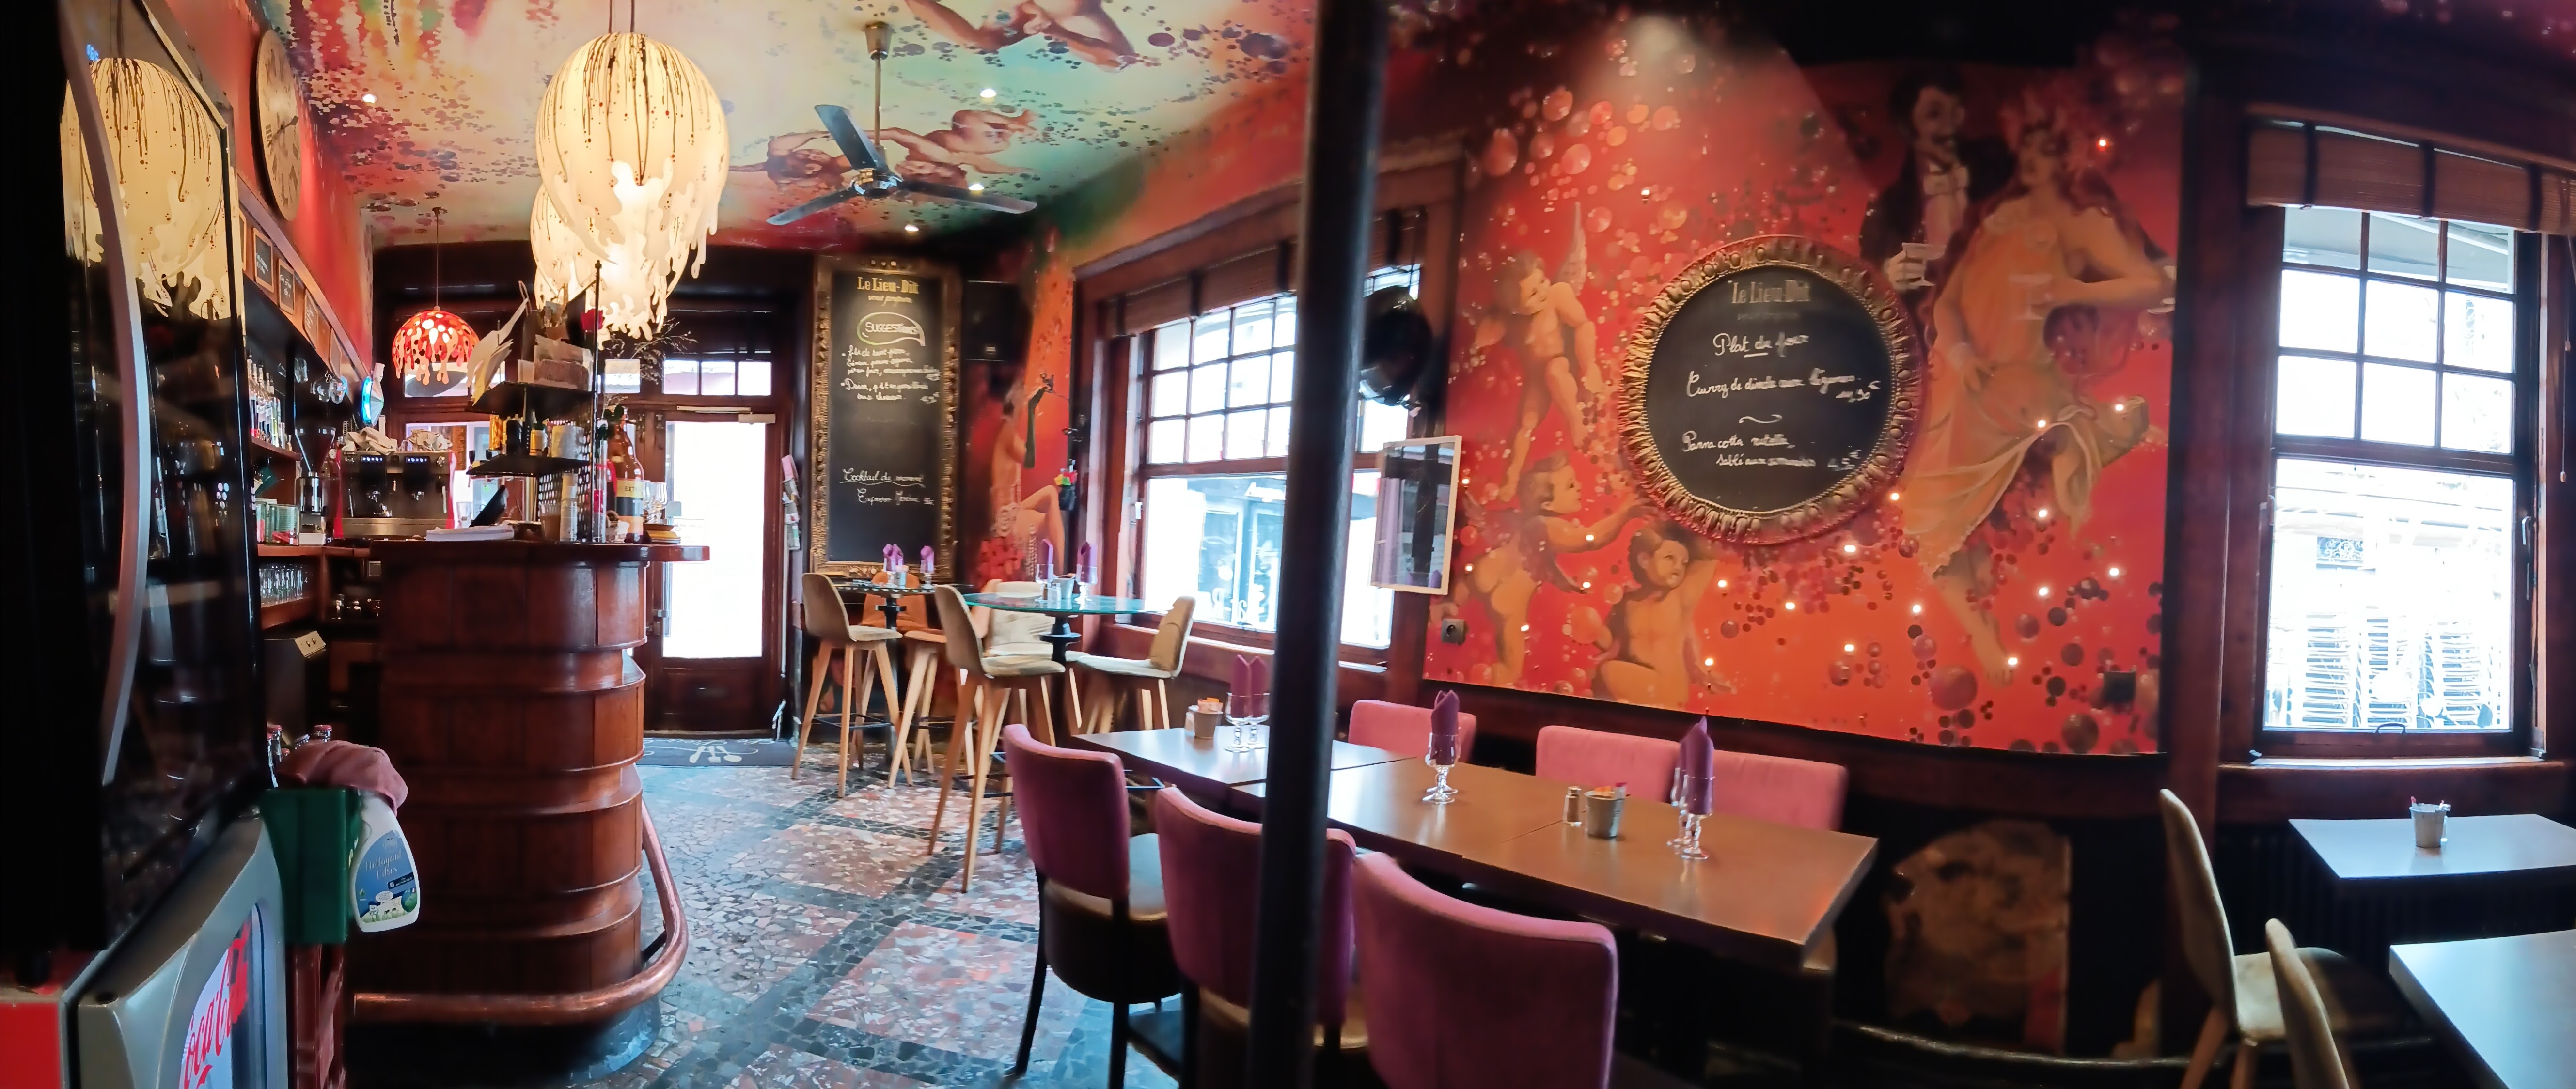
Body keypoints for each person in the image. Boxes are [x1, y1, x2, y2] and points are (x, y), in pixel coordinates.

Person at [1897, 87, 2168, 681]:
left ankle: (2004, 629)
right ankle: (1980, 633)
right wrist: (1963, 357)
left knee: (2020, 512)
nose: (2032, 160)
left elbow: (2149, 282)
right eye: (2028, 147)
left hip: (2023, 390)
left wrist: (2077, 290)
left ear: (2070, 153)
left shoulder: (2080, 223)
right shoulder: (1997, 219)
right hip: (1963, 387)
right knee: (1929, 521)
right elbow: (1948, 306)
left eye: (2048, 148)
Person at [1444, 453, 1646, 688]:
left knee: (1454, 612)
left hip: (1484, 570)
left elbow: (1536, 555)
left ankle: (1447, 627)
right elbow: (1591, 539)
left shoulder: (1524, 521)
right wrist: (1626, 512)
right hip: (1510, 599)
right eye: (1570, 485)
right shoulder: (1549, 526)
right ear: (1548, 505)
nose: (1579, 487)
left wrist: (1561, 579)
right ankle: (1475, 697)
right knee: (1510, 669)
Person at [1475, 215, 1604, 500]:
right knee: (1526, 424)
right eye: (1533, 293)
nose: (1543, 290)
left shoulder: (1558, 295)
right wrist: (1477, 342)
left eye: (1543, 281)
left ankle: (1575, 421)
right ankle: (1511, 479)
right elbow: (1486, 334)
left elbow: (1584, 325)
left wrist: (1590, 366)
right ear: (1516, 308)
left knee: (1556, 371)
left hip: (1563, 362)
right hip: (1537, 379)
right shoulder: (1511, 321)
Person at [1858, 67, 2014, 305]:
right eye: (1934, 115)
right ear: (1907, 127)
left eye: (1956, 112)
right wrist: (1887, 276)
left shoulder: (2001, 171)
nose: (1951, 127)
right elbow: (1863, 284)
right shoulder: (1889, 207)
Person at [1594, 521, 1725, 706]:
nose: (1678, 567)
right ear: (1644, 560)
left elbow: (1710, 556)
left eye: (1684, 563)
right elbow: (1609, 642)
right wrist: (1591, 627)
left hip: (1668, 691)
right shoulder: (1628, 603)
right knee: (1605, 674)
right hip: (1640, 693)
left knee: (1609, 672)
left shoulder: (1680, 597)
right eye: (1670, 558)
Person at [899, 0, 1144, 70]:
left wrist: (1046, 26)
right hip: (1044, 14)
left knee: (980, 45)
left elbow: (1114, 61)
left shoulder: (1075, 21)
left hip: (1034, 15)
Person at [877, 108, 1040, 185]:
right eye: (919, 168)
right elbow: (896, 133)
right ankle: (1016, 124)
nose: (909, 166)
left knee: (971, 128)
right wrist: (865, 135)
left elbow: (981, 164)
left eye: (909, 172)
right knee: (963, 117)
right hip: (981, 139)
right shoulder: (934, 154)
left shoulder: (939, 159)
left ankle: (1019, 122)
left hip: (990, 142)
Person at [731, 131, 848, 187]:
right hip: (786, 176)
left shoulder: (824, 170)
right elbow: (750, 168)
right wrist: (813, 135)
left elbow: (750, 168)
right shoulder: (778, 162)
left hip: (821, 173)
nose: (813, 156)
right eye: (807, 155)